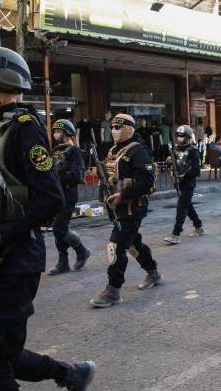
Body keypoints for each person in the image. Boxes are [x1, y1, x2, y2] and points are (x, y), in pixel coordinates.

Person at [0, 44, 94, 389]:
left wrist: (0, 238)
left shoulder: (24, 127)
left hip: (16, 256)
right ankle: (69, 374)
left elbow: (50, 198)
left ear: (2, 80)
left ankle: (69, 374)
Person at [90, 113, 161, 307]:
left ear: (130, 129)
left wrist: (123, 195)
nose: (114, 131)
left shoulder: (138, 151)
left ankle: (113, 289)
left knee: (115, 247)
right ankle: (153, 272)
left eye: (119, 127)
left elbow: (147, 182)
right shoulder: (114, 150)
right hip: (117, 207)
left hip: (132, 207)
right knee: (132, 243)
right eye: (112, 127)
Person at [48, 119, 91, 276]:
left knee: (59, 228)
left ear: (66, 133)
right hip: (55, 195)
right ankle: (75, 255)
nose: (55, 134)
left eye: (58, 131)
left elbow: (76, 175)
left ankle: (68, 259)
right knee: (59, 229)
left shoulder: (74, 151)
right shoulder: (54, 150)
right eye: (54, 131)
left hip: (68, 195)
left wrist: (56, 176)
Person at [163, 125, 205, 244]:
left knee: (181, 207)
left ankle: (176, 234)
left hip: (188, 184)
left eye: (182, 136)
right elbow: (173, 163)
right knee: (188, 206)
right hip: (178, 182)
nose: (180, 138)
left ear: (187, 137)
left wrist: (185, 175)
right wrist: (169, 162)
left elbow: (197, 171)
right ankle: (199, 227)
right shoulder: (175, 149)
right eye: (179, 135)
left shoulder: (193, 151)